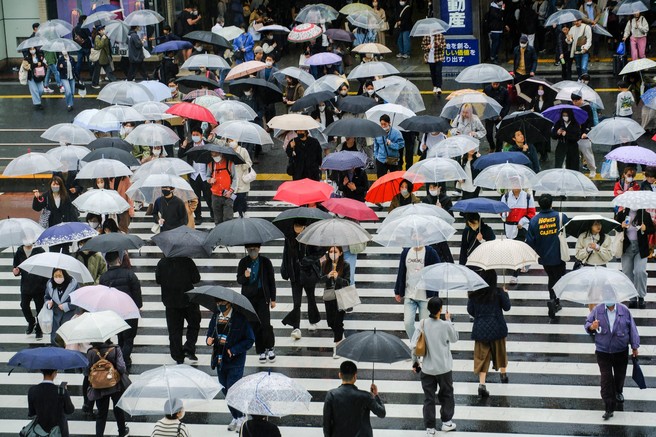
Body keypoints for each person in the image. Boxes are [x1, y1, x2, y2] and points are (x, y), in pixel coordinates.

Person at [585, 302, 640, 420]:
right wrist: (591, 327)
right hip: (603, 352)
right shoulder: (597, 310)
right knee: (606, 379)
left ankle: (618, 391)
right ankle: (609, 407)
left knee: (620, 376)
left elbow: (632, 329)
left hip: (620, 351)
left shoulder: (624, 310)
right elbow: (587, 324)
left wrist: (635, 347)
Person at [206, 299, 255, 432]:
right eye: (217, 303)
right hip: (219, 360)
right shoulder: (216, 316)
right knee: (225, 390)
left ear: (229, 304)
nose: (219, 306)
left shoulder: (240, 319)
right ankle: (236, 416)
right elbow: (210, 333)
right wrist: (208, 340)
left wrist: (233, 350)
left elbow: (250, 339)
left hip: (235, 362)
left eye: (221, 303)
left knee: (233, 389)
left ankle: (241, 417)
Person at [412, 296, 458, 434]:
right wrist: (449, 320)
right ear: (441, 309)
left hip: (427, 368)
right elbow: (455, 338)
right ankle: (446, 422)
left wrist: (415, 362)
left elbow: (414, 345)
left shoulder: (422, 323)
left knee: (429, 398)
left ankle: (430, 427)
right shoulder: (445, 325)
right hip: (444, 367)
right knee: (447, 395)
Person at [468, 270, 511, 397]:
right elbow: (507, 307)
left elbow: (471, 311)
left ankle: (482, 384)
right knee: (501, 352)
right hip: (497, 326)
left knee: (482, 357)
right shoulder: (498, 292)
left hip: (481, 328)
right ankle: (503, 375)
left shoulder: (475, 293)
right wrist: (505, 294)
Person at [526, 193, 568, 318]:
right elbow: (569, 232)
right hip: (559, 254)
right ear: (551, 203)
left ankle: (553, 299)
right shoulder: (560, 216)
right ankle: (555, 301)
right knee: (559, 278)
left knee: (551, 277)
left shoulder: (534, 220)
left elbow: (530, 241)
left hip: (544, 256)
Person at [281, 219, 324, 340]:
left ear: (305, 227)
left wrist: (307, 260)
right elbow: (286, 253)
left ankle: (313, 320)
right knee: (296, 302)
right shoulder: (289, 237)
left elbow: (319, 252)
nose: (298, 229)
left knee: (311, 298)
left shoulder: (311, 237)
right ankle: (296, 327)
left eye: (300, 226)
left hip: (308, 272)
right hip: (294, 273)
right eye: (296, 226)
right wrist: (284, 269)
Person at [99, 251, 142, 371]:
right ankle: (123, 360)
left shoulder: (104, 277)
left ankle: (122, 358)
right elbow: (137, 293)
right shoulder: (130, 274)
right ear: (119, 260)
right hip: (129, 310)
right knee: (129, 338)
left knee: (120, 336)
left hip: (113, 311)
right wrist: (138, 307)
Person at [155, 255, 202, 365]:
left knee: (174, 330)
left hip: (170, 301)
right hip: (188, 299)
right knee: (194, 323)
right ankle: (189, 347)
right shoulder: (187, 260)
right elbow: (196, 279)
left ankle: (177, 356)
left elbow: (158, 280)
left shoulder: (162, 263)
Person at [322, 360, 386, 437]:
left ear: (340, 375)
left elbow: (326, 424)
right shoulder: (366, 396)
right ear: (355, 376)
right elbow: (382, 413)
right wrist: (375, 395)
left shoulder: (331, 395)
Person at [236, 244, 277, 363]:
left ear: (259, 249)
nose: (252, 251)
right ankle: (261, 350)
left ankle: (270, 347)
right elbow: (239, 280)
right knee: (254, 324)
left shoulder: (265, 262)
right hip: (249, 298)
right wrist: (245, 276)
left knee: (265, 323)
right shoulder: (243, 262)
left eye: (254, 249)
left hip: (262, 296)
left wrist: (273, 299)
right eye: (250, 249)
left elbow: (271, 281)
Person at [394, 244, 440, 341]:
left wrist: (435, 294)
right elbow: (401, 271)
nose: (416, 238)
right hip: (409, 294)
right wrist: (397, 291)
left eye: (419, 235)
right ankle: (416, 344)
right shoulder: (406, 252)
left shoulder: (430, 252)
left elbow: (437, 271)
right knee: (408, 323)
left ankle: (421, 349)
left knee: (424, 327)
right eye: (414, 235)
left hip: (425, 297)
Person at [85, 339, 130, 437]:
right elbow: (122, 368)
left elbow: (86, 371)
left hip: (99, 387)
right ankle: (122, 431)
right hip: (115, 385)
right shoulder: (115, 349)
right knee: (118, 409)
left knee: (101, 414)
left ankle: (99, 434)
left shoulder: (91, 352)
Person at [616, 207, 654, 309]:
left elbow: (652, 230)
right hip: (627, 247)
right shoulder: (621, 214)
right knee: (627, 272)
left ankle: (641, 296)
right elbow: (615, 227)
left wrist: (645, 229)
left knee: (640, 271)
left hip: (640, 248)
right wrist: (621, 226)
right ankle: (632, 297)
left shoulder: (644, 214)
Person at [320, 246, 351, 357]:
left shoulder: (345, 265)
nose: (332, 253)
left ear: (341, 253)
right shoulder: (325, 264)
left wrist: (338, 278)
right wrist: (328, 276)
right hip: (329, 296)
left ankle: (337, 346)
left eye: (335, 251)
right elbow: (320, 279)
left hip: (341, 296)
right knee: (331, 322)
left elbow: (347, 282)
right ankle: (341, 335)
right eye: (331, 251)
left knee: (337, 321)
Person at [501, 188, 536, 284]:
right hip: (509, 227)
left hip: (522, 228)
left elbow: (532, 213)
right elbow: (502, 212)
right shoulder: (506, 197)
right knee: (511, 248)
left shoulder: (527, 197)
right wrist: (504, 214)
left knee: (518, 249)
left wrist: (522, 221)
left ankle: (515, 275)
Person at [13, 241, 47, 340]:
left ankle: (39, 329)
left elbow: (45, 266)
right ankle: (31, 322)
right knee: (24, 305)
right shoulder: (19, 251)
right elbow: (16, 267)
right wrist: (16, 272)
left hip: (39, 284)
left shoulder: (39, 250)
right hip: (25, 284)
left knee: (39, 308)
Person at [179, 127, 213, 223]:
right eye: (193, 135)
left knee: (208, 196)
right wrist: (183, 146)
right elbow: (180, 155)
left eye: (197, 135)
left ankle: (213, 214)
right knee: (195, 197)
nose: (195, 137)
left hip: (205, 175)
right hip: (194, 176)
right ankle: (198, 217)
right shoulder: (189, 146)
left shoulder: (207, 146)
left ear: (201, 135)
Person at [27, 369, 75, 437]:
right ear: (54, 373)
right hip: (59, 431)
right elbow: (70, 410)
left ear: (42, 372)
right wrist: (65, 392)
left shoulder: (32, 390)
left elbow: (31, 412)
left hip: (40, 431)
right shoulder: (61, 391)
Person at [44, 269, 78, 345]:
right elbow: (47, 297)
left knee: (67, 337)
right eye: (55, 276)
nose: (57, 278)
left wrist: (67, 306)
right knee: (55, 337)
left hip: (69, 315)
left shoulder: (73, 285)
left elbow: (77, 300)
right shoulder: (50, 285)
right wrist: (48, 303)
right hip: (56, 315)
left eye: (60, 276)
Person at [571, 92, 596, 177]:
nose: (574, 103)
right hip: (574, 134)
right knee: (574, 155)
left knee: (587, 154)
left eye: (576, 101)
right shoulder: (571, 107)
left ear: (581, 99)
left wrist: (586, 132)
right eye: (573, 101)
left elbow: (590, 121)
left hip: (584, 135)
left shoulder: (587, 107)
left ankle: (592, 169)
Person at [207, 151, 237, 224]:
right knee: (217, 219)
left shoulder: (230, 164)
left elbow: (235, 178)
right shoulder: (211, 165)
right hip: (215, 195)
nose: (214, 156)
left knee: (228, 218)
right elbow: (207, 176)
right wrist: (210, 180)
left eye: (216, 154)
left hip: (227, 195)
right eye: (212, 155)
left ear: (221, 154)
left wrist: (231, 190)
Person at [483, 83, 510, 152]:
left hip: (499, 116)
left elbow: (507, 104)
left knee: (499, 134)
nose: (495, 85)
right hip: (489, 115)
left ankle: (498, 150)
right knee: (488, 133)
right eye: (494, 84)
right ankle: (492, 146)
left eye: (496, 84)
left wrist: (502, 115)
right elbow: (483, 101)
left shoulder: (504, 91)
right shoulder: (487, 89)